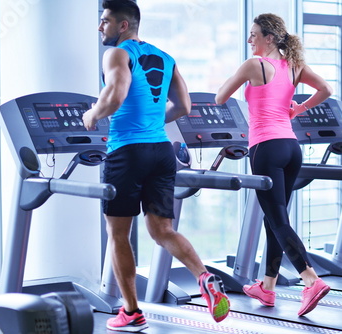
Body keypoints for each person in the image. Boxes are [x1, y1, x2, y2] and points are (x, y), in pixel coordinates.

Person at [83, 1, 230, 331]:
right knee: (162, 230)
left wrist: (93, 114)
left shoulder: (117, 54)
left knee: (118, 233)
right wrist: (151, 122)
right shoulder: (166, 57)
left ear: (123, 26)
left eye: (104, 21)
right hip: (160, 150)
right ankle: (204, 278)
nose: (99, 27)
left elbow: (116, 95)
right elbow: (185, 106)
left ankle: (132, 312)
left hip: (127, 153)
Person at [215, 13, 332, 316]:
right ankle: (267, 287)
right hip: (291, 148)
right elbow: (326, 90)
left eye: (253, 34)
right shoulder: (293, 66)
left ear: (268, 37)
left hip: (266, 147)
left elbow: (219, 97)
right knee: (274, 219)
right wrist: (299, 109)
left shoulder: (254, 65)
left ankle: (311, 280)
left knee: (278, 220)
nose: (249, 39)